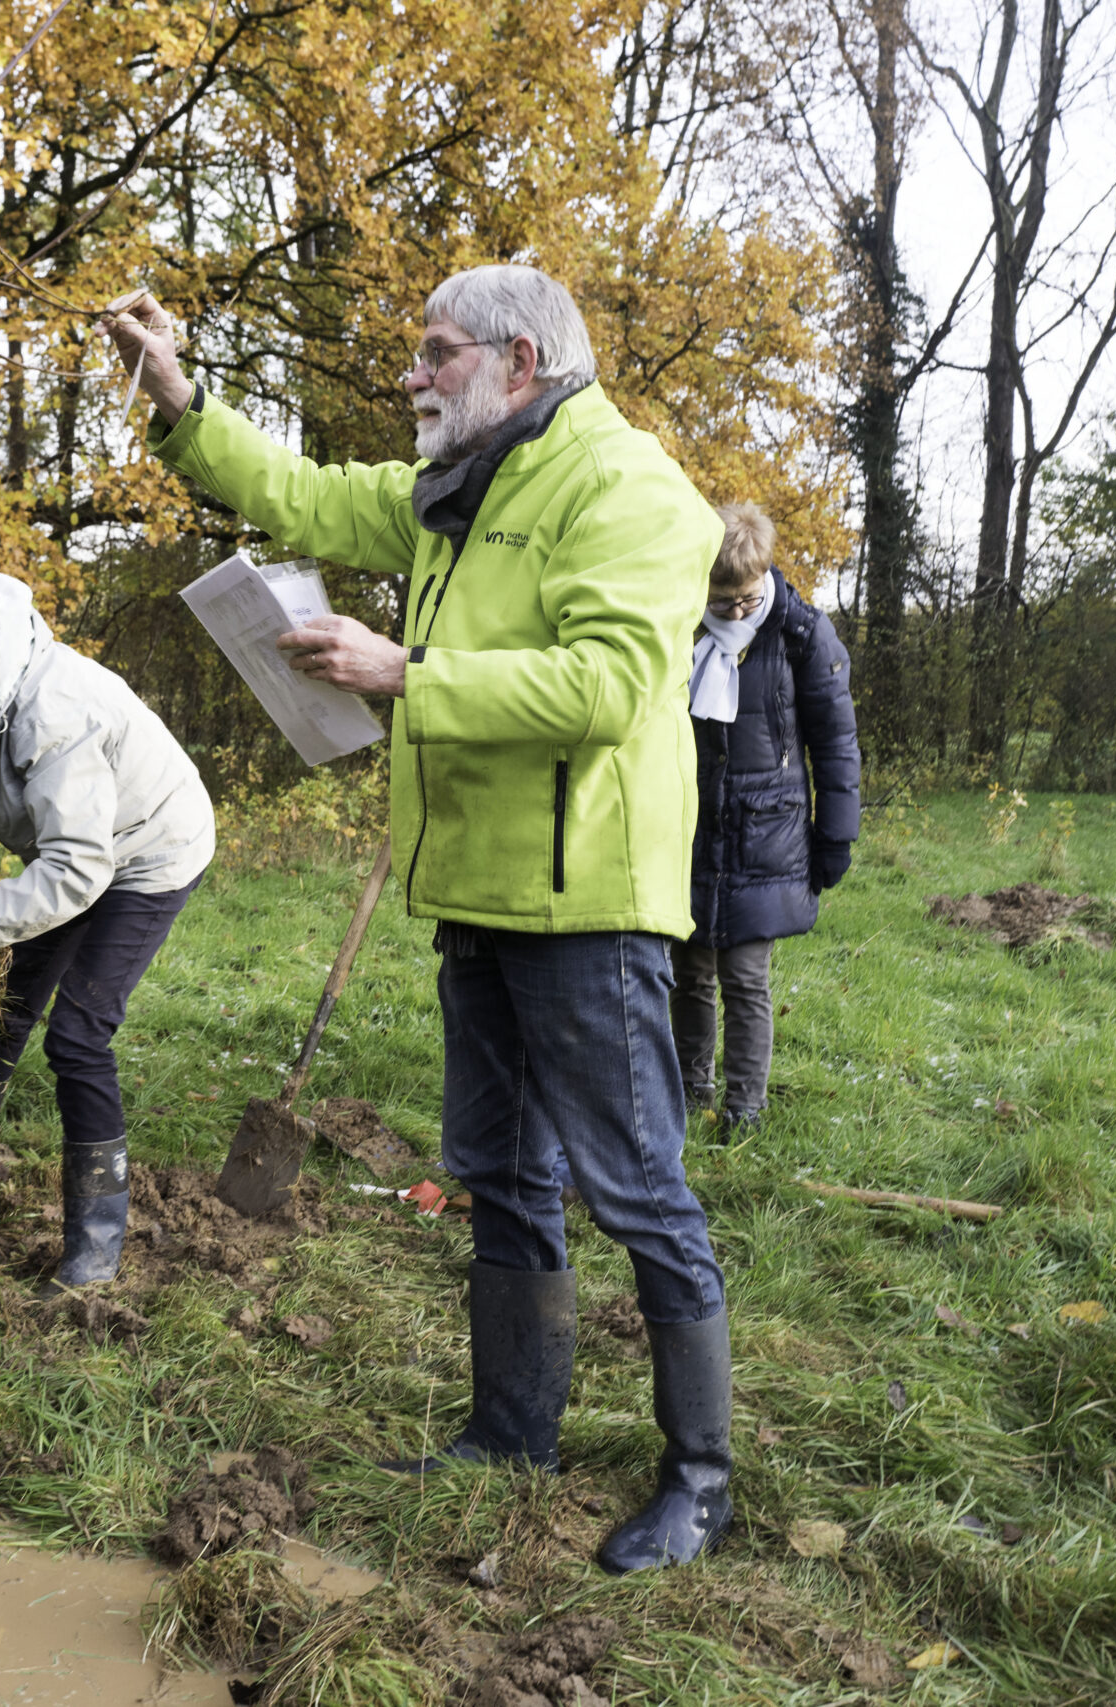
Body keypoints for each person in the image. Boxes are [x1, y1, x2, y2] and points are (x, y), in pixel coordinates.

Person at [106, 264, 733, 1574]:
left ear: (516, 362)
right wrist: (178, 402)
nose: (412, 375)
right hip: (472, 896)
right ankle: (511, 1434)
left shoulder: (630, 488)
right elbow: (303, 492)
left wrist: (409, 670)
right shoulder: (460, 487)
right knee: (498, 1173)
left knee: (639, 1190)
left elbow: (612, 683)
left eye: (435, 353)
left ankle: (698, 1479)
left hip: (589, 906)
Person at [0, 550, 216, 1291]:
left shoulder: (55, 712)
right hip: (67, 851)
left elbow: (77, 872)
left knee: (77, 1034)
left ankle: (94, 1247)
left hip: (147, 850)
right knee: (4, 1010)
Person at [673, 503, 860, 1137]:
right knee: (689, 969)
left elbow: (836, 744)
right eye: (719, 601)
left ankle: (745, 1108)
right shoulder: (677, 628)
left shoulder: (801, 633)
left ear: (765, 577)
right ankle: (688, 1086)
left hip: (769, 835)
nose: (732, 613)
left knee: (746, 977)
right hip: (691, 829)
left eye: (745, 600)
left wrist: (835, 835)